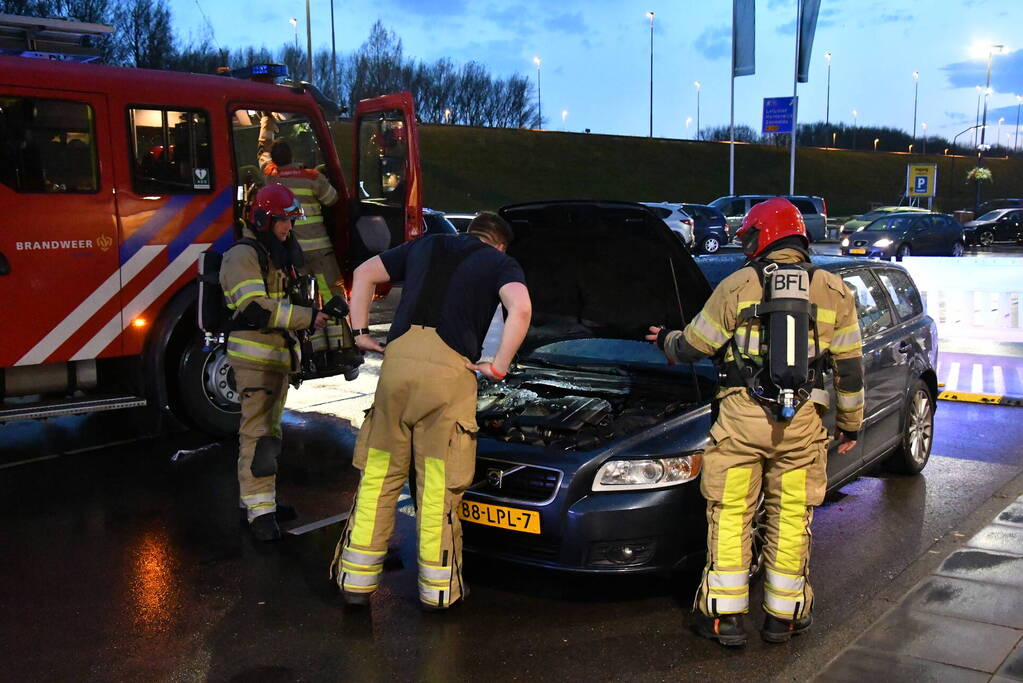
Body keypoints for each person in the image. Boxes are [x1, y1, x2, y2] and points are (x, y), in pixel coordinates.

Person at [646, 197, 864, 646]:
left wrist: (665, 340)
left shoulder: (738, 283)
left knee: (730, 515)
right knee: (790, 516)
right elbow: (851, 368)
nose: (746, 244)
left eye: (748, 236)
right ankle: (783, 617)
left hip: (742, 420)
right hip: (802, 423)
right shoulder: (835, 290)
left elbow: (695, 346)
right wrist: (851, 424)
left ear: (763, 236)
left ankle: (724, 617)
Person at [330, 211, 532, 611]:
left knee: (379, 477)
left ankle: (355, 582)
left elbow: (365, 274)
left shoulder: (425, 244)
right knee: (438, 485)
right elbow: (521, 309)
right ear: (500, 243)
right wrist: (499, 365)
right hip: (448, 375)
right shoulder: (499, 262)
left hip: (397, 367)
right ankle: (440, 593)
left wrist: (361, 334)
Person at [220, 184, 330, 542]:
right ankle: (260, 513)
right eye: (284, 221)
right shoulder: (242, 256)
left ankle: (259, 501)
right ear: (264, 219)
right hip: (256, 360)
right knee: (259, 433)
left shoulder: (273, 252)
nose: (289, 228)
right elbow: (253, 308)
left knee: (269, 432)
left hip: (275, 359)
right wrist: (305, 317)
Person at [257, 114, 359, 375]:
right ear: (292, 155)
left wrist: (266, 126)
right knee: (334, 297)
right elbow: (333, 199)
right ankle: (343, 352)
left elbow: (262, 154)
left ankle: (314, 352)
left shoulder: (271, 177)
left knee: (307, 301)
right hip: (321, 251)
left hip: (295, 254)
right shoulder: (312, 177)